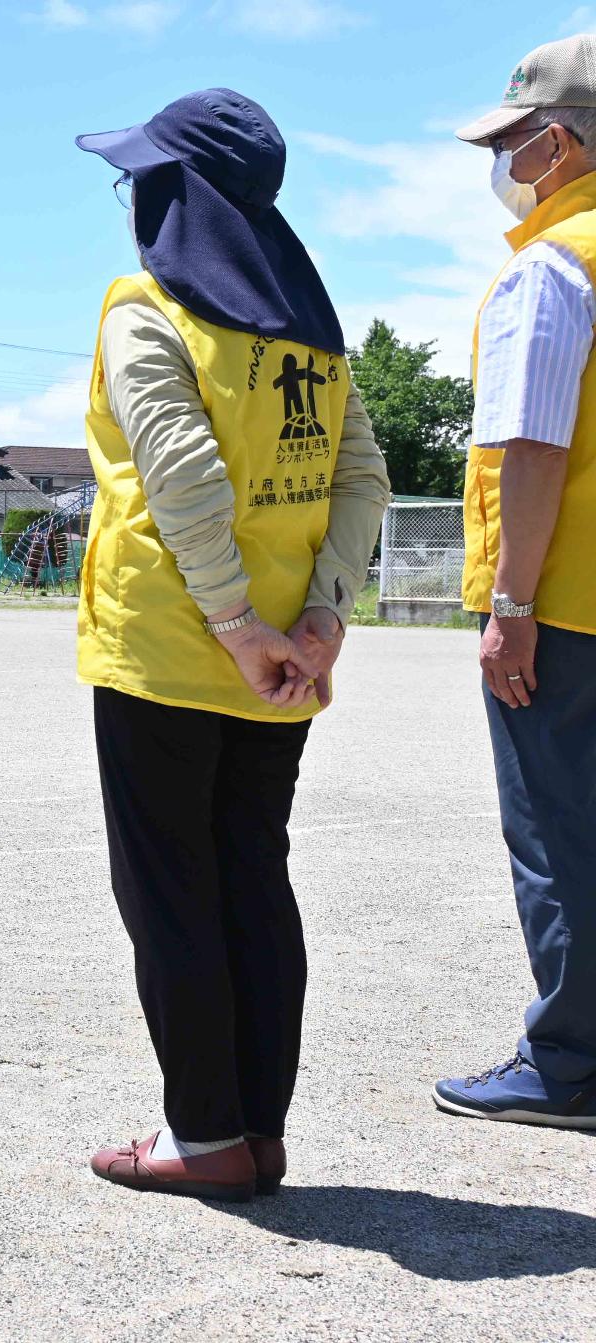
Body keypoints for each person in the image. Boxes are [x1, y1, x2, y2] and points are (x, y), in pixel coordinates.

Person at [73, 91, 391, 1199]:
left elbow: (181, 478)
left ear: (171, 193)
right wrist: (320, 620)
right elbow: (362, 478)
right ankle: (256, 1125)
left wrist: (235, 626)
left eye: (137, 178)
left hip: (173, 647)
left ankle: (201, 1134)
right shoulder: (309, 331)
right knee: (251, 875)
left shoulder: (143, 308)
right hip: (284, 661)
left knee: (169, 888)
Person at [434, 36, 596, 1131]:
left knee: (557, 829)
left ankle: (570, 1063)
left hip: (569, 603)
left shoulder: (552, 264)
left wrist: (509, 605)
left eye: (505, 139)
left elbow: (531, 446)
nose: (498, 158)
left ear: (556, 141)